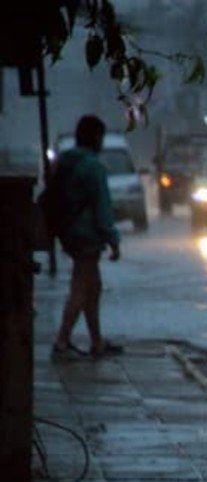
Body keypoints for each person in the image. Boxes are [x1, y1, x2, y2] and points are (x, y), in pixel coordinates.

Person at [50, 114, 123, 359]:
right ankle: (62, 341)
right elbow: (103, 208)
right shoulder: (93, 166)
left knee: (93, 288)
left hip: (69, 231)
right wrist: (113, 240)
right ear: (96, 137)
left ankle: (96, 342)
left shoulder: (65, 162)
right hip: (87, 236)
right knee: (81, 288)